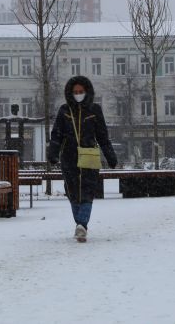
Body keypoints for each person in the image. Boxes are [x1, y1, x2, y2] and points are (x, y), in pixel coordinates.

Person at [47, 75, 117, 242]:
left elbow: (103, 136)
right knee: (72, 192)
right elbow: (56, 134)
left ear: (87, 92)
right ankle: (80, 224)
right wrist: (53, 153)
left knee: (87, 191)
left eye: (81, 91)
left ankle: (82, 224)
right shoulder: (64, 110)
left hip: (90, 157)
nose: (78, 94)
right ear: (70, 93)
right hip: (69, 157)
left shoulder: (95, 110)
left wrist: (110, 155)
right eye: (75, 92)